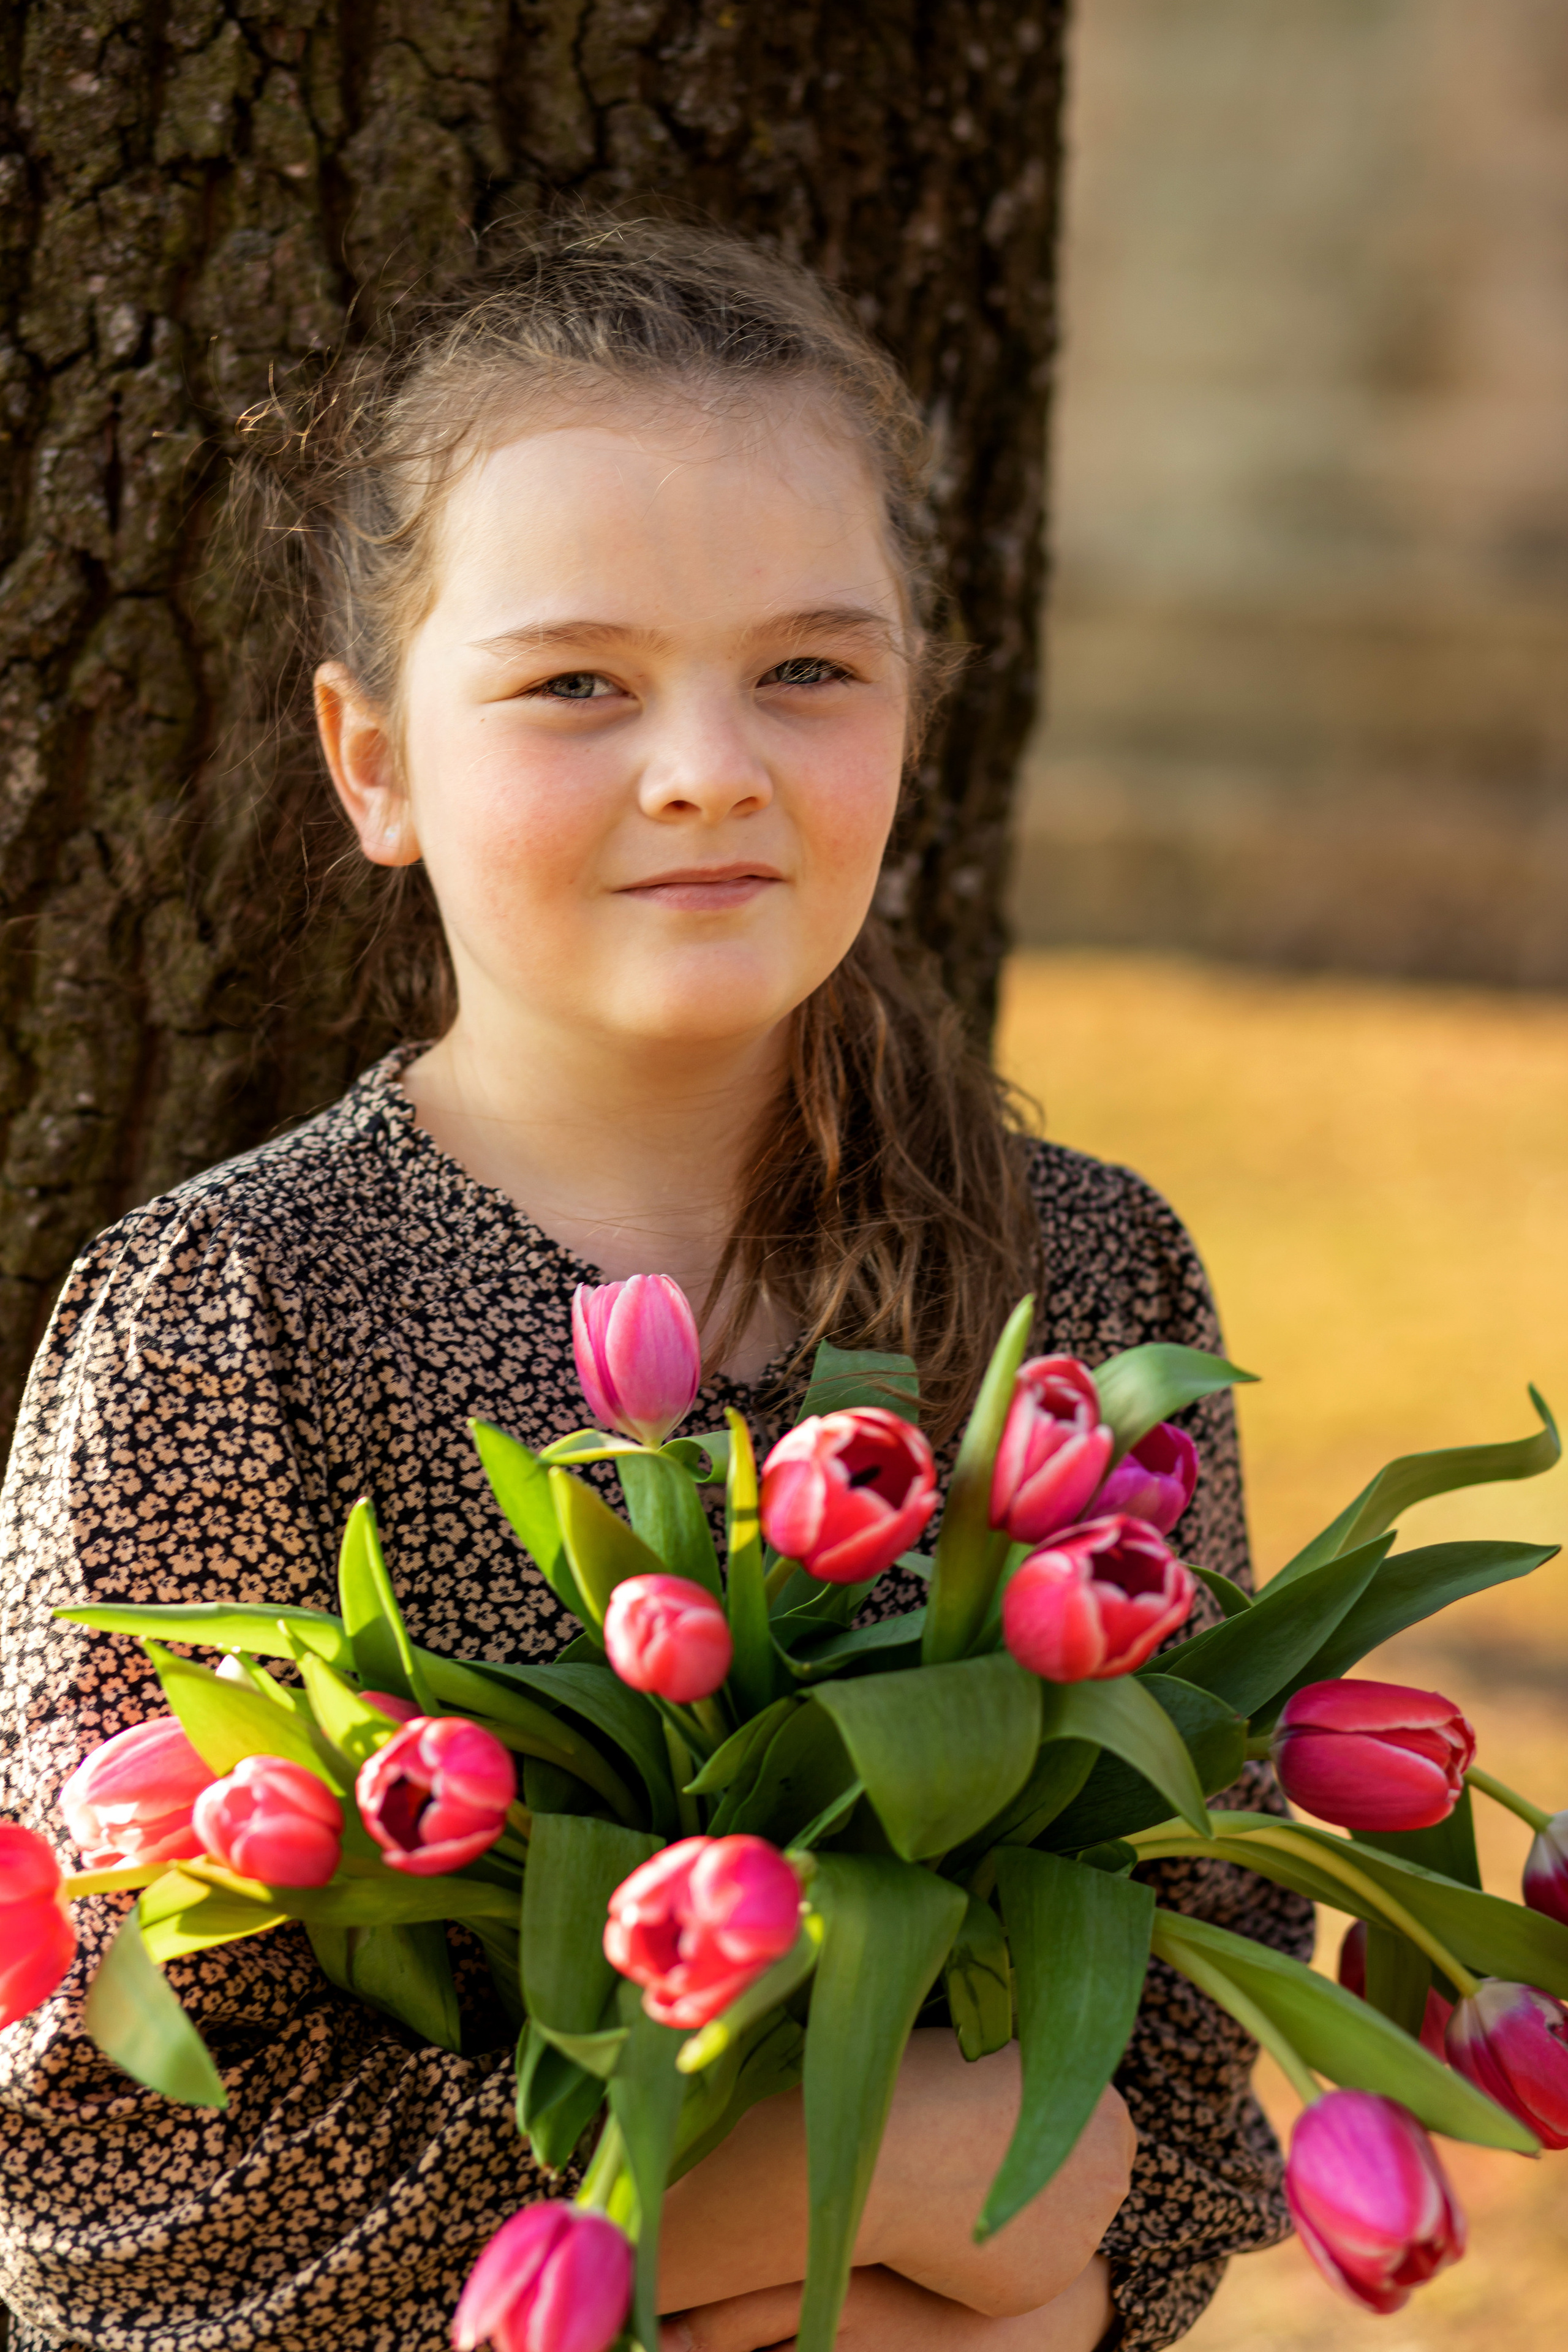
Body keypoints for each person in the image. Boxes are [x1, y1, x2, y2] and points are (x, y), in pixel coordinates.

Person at [0, 214, 1310, 2352]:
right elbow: (110, 2199)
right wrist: (848, 2174)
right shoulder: (230, 1319)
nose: (708, 764)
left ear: (911, 710)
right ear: (375, 764)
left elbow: (1168, 2087)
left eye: (808, 667)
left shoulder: (1078, 1282)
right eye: (577, 684)